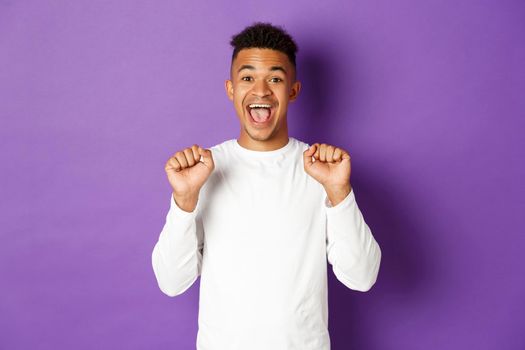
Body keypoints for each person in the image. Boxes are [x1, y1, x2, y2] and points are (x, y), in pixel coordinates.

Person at [151, 22, 381, 350]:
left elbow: (362, 276)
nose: (260, 91)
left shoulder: (321, 170)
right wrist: (185, 198)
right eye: (248, 78)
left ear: (293, 90)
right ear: (231, 89)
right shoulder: (204, 170)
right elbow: (171, 282)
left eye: (274, 78)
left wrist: (339, 192)